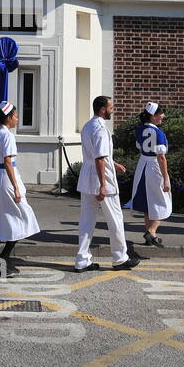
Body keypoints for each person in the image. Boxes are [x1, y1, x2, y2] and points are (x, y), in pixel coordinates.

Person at [75, 96, 138, 272]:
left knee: (86, 220)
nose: (113, 110)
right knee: (115, 218)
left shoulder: (88, 125)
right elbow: (100, 158)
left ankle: (82, 259)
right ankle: (120, 258)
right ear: (103, 109)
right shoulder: (101, 129)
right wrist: (102, 185)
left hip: (87, 175)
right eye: (111, 107)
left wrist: (113, 163)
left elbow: (98, 155)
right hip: (101, 177)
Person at [0, 101, 41, 277]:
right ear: (8, 118)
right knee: (22, 218)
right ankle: (3, 260)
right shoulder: (7, 136)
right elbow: (8, 162)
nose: (17, 119)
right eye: (15, 116)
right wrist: (16, 187)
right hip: (7, 179)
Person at [130, 102, 172, 247]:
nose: (163, 116)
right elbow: (161, 157)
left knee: (148, 202)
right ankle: (152, 230)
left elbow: (140, 148)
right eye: (161, 113)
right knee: (162, 200)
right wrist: (166, 178)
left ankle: (150, 235)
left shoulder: (139, 129)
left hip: (143, 165)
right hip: (155, 166)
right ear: (153, 116)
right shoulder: (158, 132)